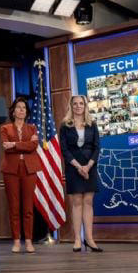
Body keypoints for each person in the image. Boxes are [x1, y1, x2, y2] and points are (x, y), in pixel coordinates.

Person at [58, 95, 103, 253]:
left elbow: (97, 148)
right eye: (75, 104)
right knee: (76, 201)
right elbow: (64, 150)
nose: (78, 106)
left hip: (90, 166)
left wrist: (88, 166)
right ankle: (77, 239)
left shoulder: (92, 124)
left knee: (88, 201)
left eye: (81, 103)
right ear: (71, 106)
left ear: (85, 106)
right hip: (73, 167)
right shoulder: (65, 125)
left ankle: (89, 239)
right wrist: (79, 167)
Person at [0, 97, 40, 253]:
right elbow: (6, 148)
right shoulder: (5, 128)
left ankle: (29, 241)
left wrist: (15, 144)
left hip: (29, 169)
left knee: (28, 207)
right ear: (13, 111)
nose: (22, 110)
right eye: (19, 107)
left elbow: (33, 146)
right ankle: (16, 241)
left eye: (24, 107)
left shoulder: (32, 128)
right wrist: (24, 145)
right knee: (14, 207)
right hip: (11, 170)